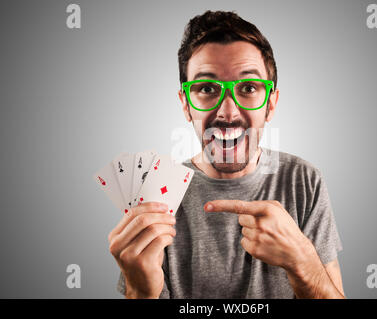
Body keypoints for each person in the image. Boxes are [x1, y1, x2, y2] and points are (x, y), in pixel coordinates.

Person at [108, 10, 344, 299]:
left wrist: (303, 262)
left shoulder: (303, 181)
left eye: (248, 88)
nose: (228, 112)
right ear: (186, 104)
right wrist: (140, 291)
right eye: (207, 88)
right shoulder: (157, 194)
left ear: (270, 104)